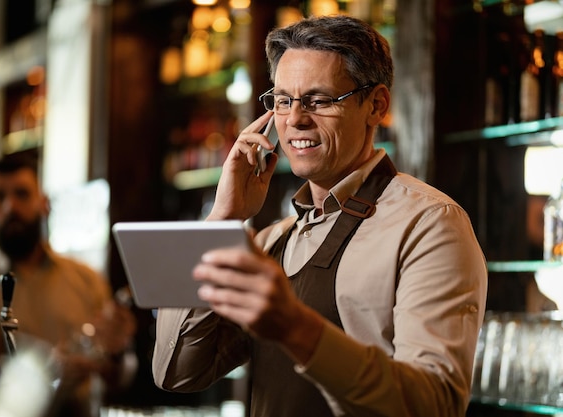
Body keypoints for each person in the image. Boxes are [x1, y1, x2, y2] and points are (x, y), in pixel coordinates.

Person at [152, 15, 488, 417]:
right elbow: (176, 372)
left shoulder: (430, 224)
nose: (295, 119)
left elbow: (435, 404)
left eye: (320, 99)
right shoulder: (272, 240)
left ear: (376, 105)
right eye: (282, 100)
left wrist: (296, 328)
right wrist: (222, 220)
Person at [0, 152, 137, 417]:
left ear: (43, 202)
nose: (11, 207)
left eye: (22, 194)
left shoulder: (87, 280)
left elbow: (123, 375)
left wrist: (113, 357)